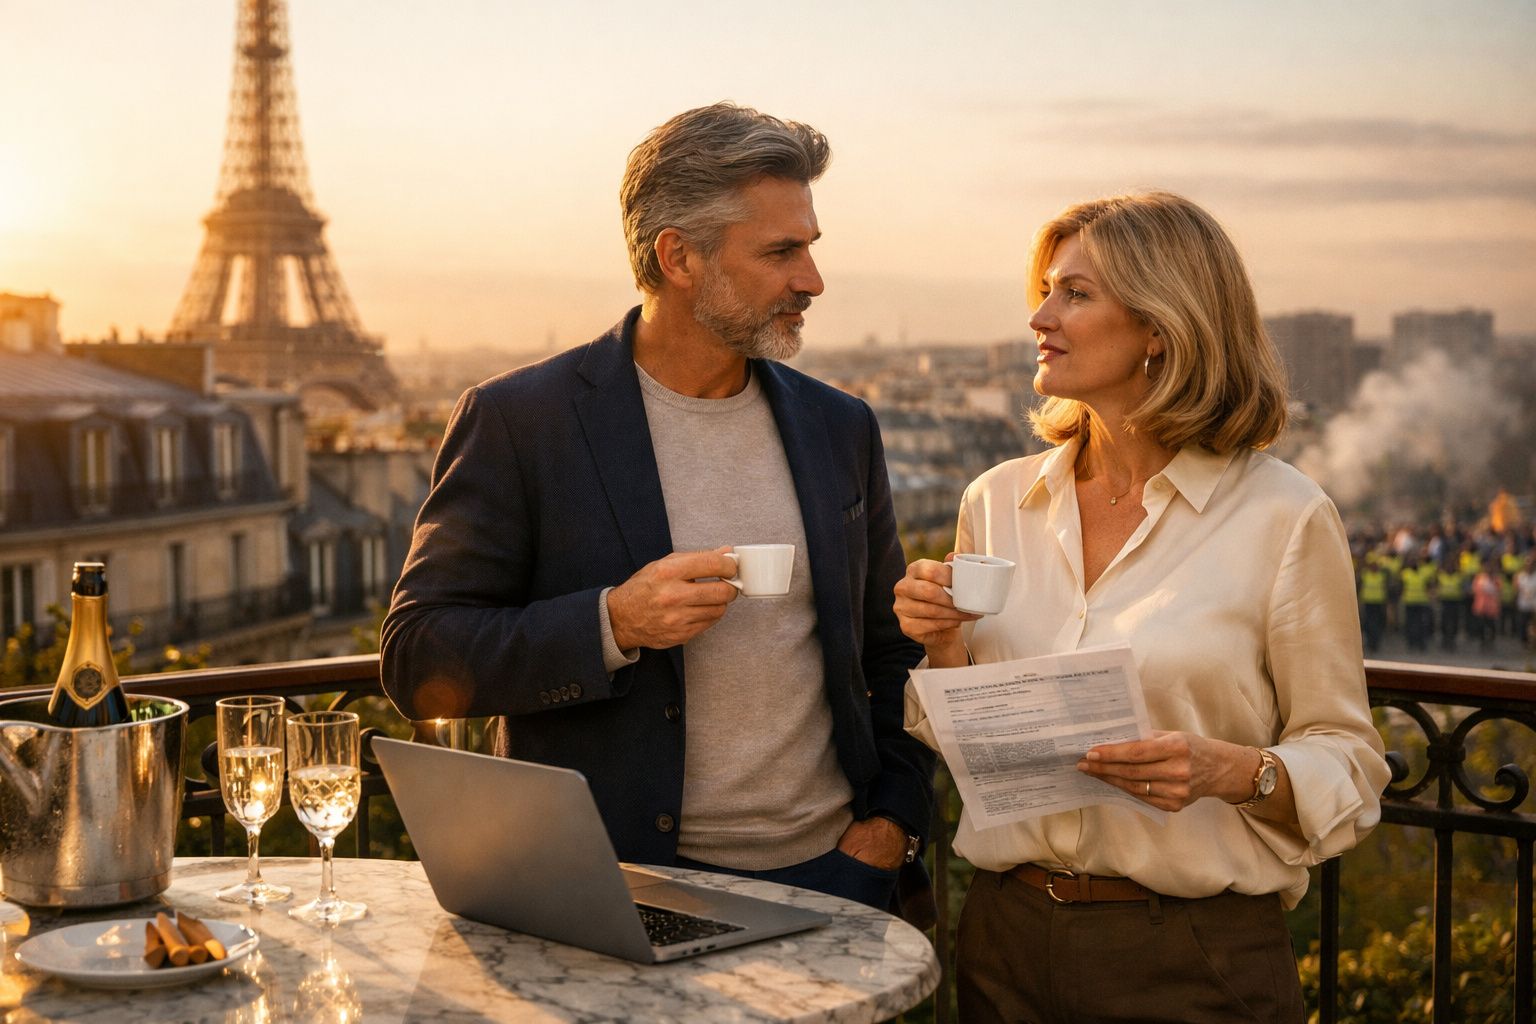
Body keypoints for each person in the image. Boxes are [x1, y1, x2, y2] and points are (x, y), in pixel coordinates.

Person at [381, 102, 934, 915]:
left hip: (833, 879)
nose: (812, 280)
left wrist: (892, 822)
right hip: (613, 887)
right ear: (678, 257)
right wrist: (613, 623)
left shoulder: (838, 425)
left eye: (810, 248)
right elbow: (417, 656)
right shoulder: (521, 421)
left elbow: (891, 649)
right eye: (782, 252)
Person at [894, 191, 1388, 1023]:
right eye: (1046, 290)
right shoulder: (998, 500)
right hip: (1003, 939)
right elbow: (979, 747)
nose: (1040, 316)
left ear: (1162, 326)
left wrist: (1232, 771)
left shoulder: (1283, 515)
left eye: (1076, 294)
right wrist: (943, 652)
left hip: (1193, 957)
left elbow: (1350, 760)